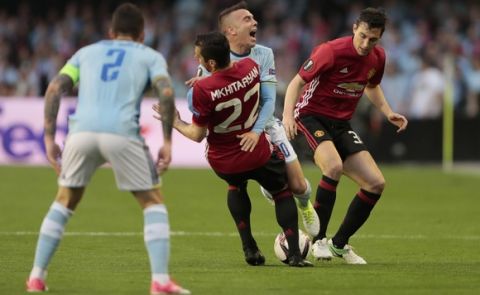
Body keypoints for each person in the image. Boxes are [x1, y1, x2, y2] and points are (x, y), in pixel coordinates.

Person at [25, 4, 190, 294]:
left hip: (80, 133)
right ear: (142, 34)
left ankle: (36, 276)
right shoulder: (150, 55)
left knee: (65, 199)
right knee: (152, 201)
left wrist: (50, 138)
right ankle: (160, 281)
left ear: (111, 32)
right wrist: (166, 141)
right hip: (122, 132)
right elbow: (165, 91)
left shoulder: (85, 53)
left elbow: (54, 89)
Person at [158, 31, 312, 267]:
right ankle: (294, 255)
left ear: (210, 63)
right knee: (281, 192)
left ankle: (249, 247)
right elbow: (239, 84)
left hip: (224, 160)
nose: (197, 61)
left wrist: (175, 121)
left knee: (236, 186)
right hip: (256, 151)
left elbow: (197, 135)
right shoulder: (250, 66)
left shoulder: (201, 90)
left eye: (199, 58)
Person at [282, 7, 408, 264]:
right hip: (310, 117)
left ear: (380, 37)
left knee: (375, 183)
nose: (365, 43)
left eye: (372, 39)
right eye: (362, 36)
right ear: (354, 28)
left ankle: (339, 244)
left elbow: (371, 86)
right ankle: (317, 241)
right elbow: (297, 82)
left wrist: (388, 112)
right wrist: (287, 116)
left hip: (341, 124)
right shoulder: (331, 51)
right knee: (334, 166)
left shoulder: (377, 58)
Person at [186, 1, 319, 237]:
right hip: (233, 135)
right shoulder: (212, 57)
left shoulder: (264, 54)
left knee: (298, 186)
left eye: (253, 18)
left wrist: (257, 132)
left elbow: (268, 101)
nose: (254, 22)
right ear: (231, 31)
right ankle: (269, 189)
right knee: (243, 183)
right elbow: (197, 101)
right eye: (247, 19)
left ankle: (304, 204)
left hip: (264, 126)